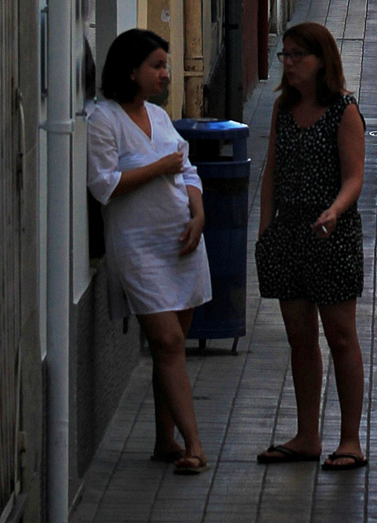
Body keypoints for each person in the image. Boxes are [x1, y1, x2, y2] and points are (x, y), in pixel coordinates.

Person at [86, 30, 211, 475]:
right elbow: (104, 185)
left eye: (166, 65)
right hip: (138, 247)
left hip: (181, 241)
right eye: (157, 65)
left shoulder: (158, 117)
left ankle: (165, 439)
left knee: (169, 346)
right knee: (168, 341)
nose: (164, 74)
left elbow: (188, 170)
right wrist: (159, 168)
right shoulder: (103, 119)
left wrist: (198, 214)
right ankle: (194, 444)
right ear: (130, 70)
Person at [256, 22, 367, 469]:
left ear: (322, 60)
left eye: (298, 55)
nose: (289, 62)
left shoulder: (344, 111)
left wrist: (335, 210)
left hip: (332, 236)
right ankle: (307, 436)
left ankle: (350, 440)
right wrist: (266, 232)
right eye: (285, 54)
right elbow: (270, 173)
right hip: (290, 235)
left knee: (340, 336)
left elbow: (354, 176)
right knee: (300, 339)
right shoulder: (283, 109)